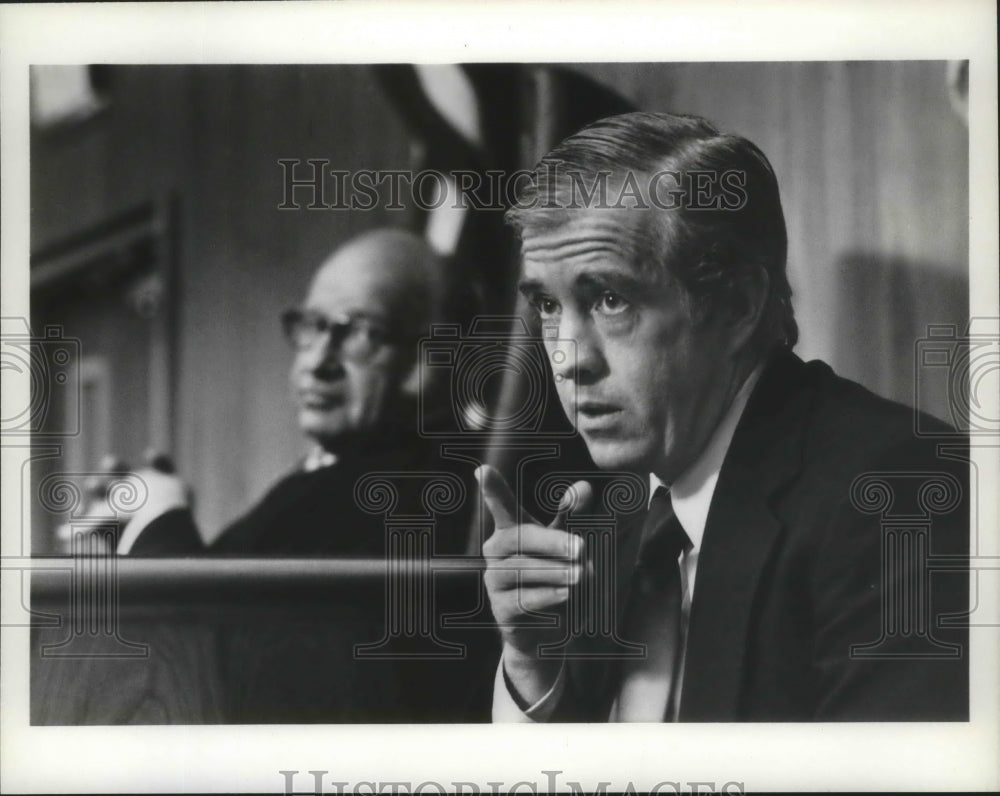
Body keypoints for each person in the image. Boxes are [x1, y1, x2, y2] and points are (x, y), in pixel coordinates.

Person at [480, 111, 968, 722]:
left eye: (610, 299)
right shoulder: (606, 518)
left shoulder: (899, 492)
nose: (565, 359)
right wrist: (531, 665)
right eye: (548, 305)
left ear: (738, 304)